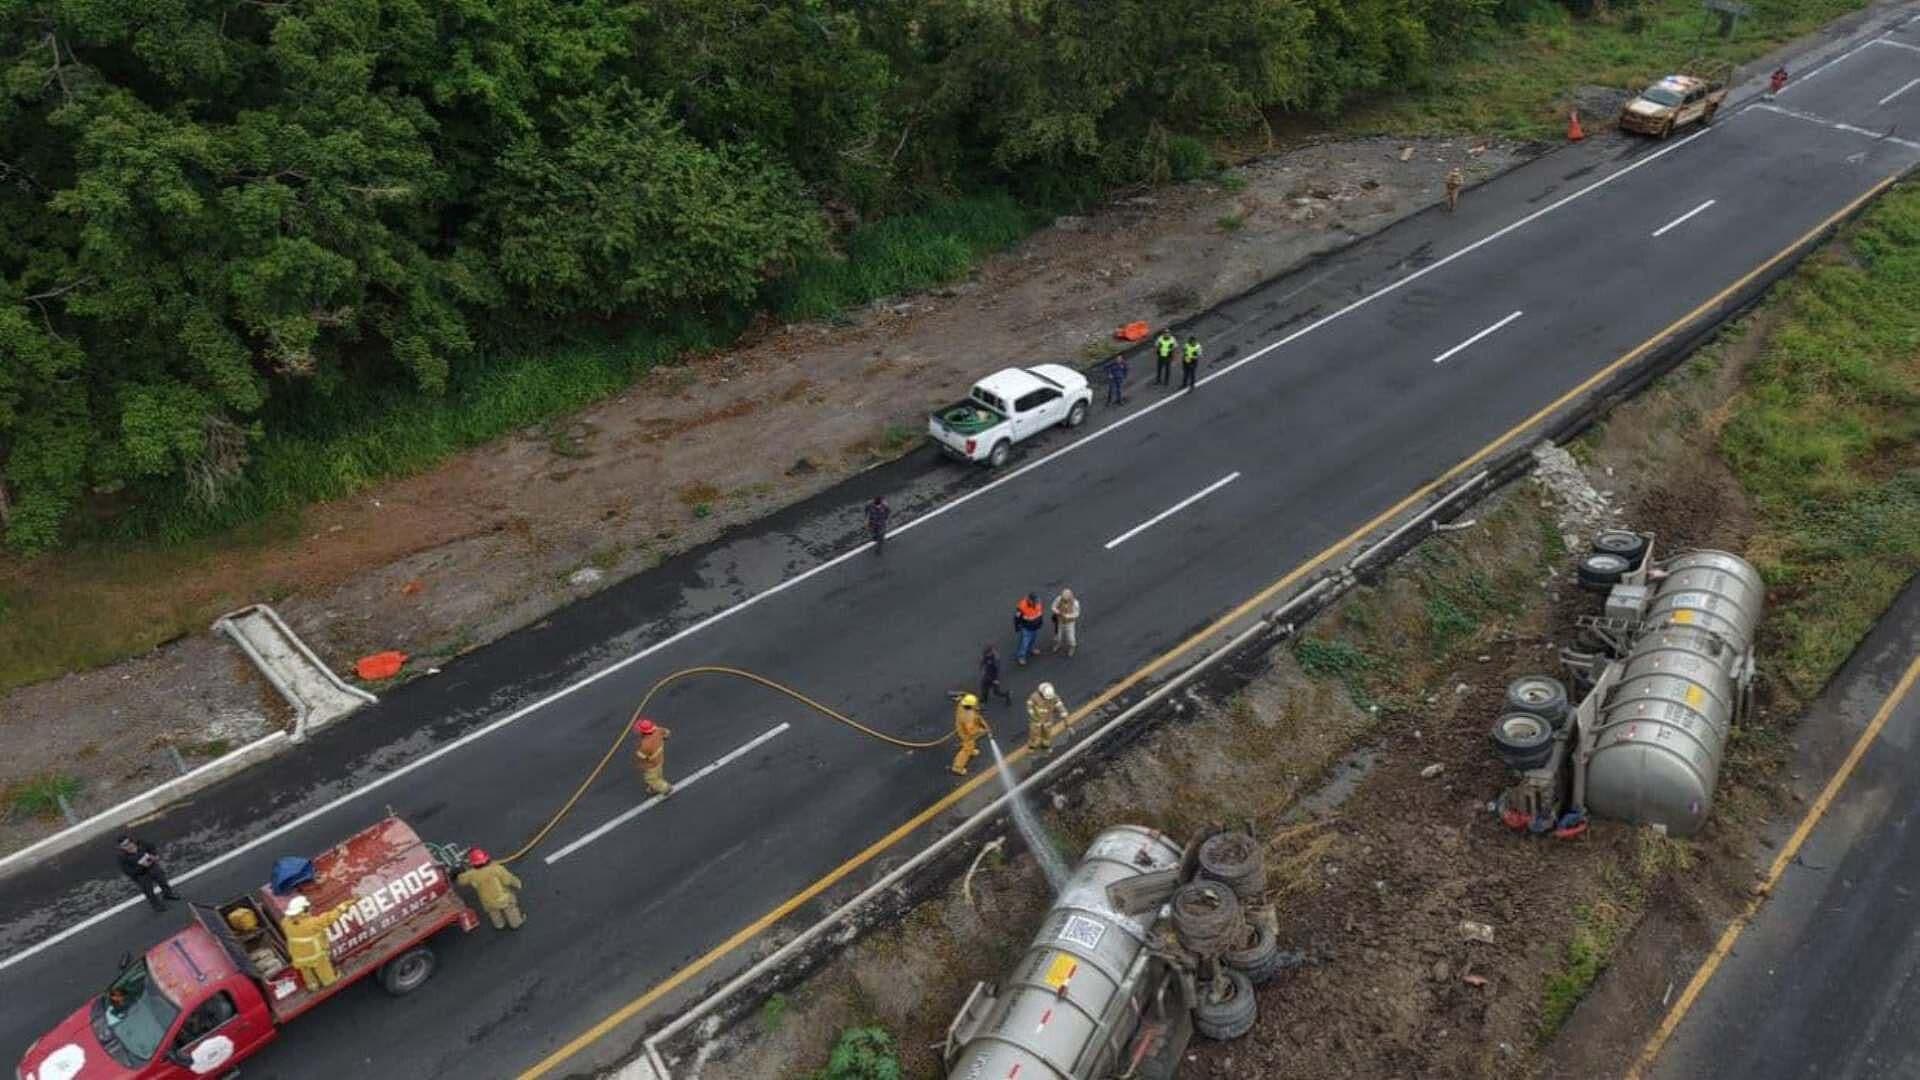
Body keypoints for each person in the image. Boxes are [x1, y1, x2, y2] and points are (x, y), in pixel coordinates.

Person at [282, 894, 357, 991]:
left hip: (299, 957)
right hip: (315, 956)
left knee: (307, 973)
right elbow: (330, 917)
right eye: (307, 908)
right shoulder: (312, 923)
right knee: (324, 970)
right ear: (303, 910)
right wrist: (346, 904)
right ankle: (329, 982)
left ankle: (313, 986)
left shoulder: (285, 922)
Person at [456, 848, 526, 931]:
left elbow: (461, 880)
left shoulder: (472, 874)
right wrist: (517, 884)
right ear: (487, 859)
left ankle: (499, 925)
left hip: (487, 901)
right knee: (510, 910)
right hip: (503, 898)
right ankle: (516, 924)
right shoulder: (496, 869)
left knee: (494, 913)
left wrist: (458, 871)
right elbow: (508, 880)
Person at [117, 835, 181, 912]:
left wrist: (154, 855)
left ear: (132, 841)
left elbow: (151, 847)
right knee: (149, 891)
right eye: (125, 845)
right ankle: (156, 905)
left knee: (162, 881)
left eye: (129, 842)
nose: (129, 846)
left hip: (152, 867)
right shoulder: (122, 857)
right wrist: (142, 866)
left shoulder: (141, 843)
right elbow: (129, 872)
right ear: (121, 847)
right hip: (141, 875)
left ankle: (168, 894)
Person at [950, 693, 991, 776]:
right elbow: (972, 732)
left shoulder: (962, 704)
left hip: (963, 726)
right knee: (967, 748)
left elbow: (975, 713)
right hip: (965, 733)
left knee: (971, 743)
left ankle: (971, 750)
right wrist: (983, 730)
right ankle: (957, 767)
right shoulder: (967, 717)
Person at [633, 717, 673, 797]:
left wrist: (640, 764)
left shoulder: (645, 745)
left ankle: (665, 788)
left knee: (651, 779)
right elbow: (667, 732)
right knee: (658, 774)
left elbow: (642, 757)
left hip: (651, 765)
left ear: (643, 733)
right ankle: (654, 788)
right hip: (659, 759)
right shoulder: (658, 731)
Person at [1026, 683, 1070, 754]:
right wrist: (1031, 712)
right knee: (1034, 734)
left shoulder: (1054, 697)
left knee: (1047, 734)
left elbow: (1060, 706)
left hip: (1047, 719)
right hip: (1036, 720)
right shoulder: (1034, 696)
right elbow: (1029, 704)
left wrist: (1063, 714)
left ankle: (1045, 746)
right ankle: (1031, 747)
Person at [1013, 593, 1045, 666]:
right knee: (1024, 643)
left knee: (1033, 639)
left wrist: (1040, 623)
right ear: (1030, 600)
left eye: (1037, 601)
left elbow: (1039, 614)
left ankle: (1031, 649)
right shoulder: (1021, 607)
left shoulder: (1038, 604)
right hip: (1026, 628)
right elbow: (1017, 618)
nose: (1037, 602)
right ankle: (1021, 656)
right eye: (1035, 601)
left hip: (1035, 627)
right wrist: (1017, 627)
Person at [1049, 588, 1082, 657]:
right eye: (1064, 599)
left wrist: (1067, 616)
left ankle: (1072, 647)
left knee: (1071, 637)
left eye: (1066, 600)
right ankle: (1058, 644)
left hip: (1069, 623)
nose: (1064, 601)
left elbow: (1077, 614)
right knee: (1058, 636)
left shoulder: (1075, 603)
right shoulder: (1059, 599)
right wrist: (1058, 612)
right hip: (1060, 621)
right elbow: (1053, 606)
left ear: (1070, 597)